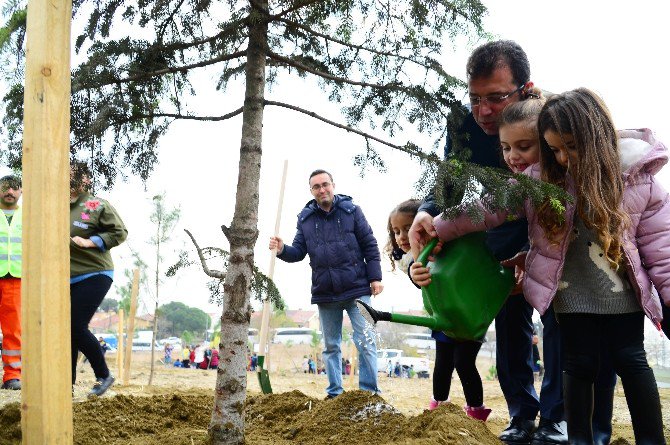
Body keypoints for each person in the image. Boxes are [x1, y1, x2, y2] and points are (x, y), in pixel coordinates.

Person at [427, 88, 668, 444]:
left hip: (623, 297)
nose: (563, 157)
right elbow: (486, 209)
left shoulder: (637, 179)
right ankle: (578, 439)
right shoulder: (539, 180)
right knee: (579, 365)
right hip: (570, 297)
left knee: (632, 362)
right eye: (554, 149)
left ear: (595, 135)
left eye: (570, 146)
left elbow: (661, 250)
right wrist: (438, 225)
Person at [408, 40, 566, 444]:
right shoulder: (463, 124)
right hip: (501, 240)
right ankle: (520, 415)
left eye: (496, 98)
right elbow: (451, 180)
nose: (483, 111)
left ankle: (556, 419)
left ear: (526, 89)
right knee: (511, 329)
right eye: (475, 98)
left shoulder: (555, 118)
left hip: (555, 239)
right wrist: (428, 211)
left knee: (558, 324)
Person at [270, 169, 384, 399]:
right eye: (316, 186)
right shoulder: (305, 219)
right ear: (311, 191)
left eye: (325, 184)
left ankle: (369, 393)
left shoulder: (352, 211)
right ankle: (334, 393)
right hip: (326, 293)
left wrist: (375, 277)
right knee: (331, 346)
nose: (322, 189)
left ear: (333, 185)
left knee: (366, 341)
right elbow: (298, 252)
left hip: (357, 289)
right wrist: (282, 250)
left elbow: (370, 244)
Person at [387, 198, 490, 421]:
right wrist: (416, 274)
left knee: (463, 361)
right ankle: (439, 405)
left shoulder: (446, 245)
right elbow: (422, 281)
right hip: (443, 315)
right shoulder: (410, 260)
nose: (402, 237)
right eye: (396, 232)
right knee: (443, 362)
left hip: (470, 314)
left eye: (407, 228)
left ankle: (476, 410)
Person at [70, 162, 127, 397]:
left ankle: (103, 375)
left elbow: (119, 232)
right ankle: (66, 385)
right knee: (66, 331)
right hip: (65, 277)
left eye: (76, 174)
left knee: (74, 326)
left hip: (94, 273)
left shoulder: (95, 204)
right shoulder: (55, 204)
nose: (70, 177)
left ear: (87, 180)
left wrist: (90, 241)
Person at [0, 175, 22, 391]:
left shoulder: (28, 216)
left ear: (21, 192)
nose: (10, 192)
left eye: (15, 188)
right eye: (6, 188)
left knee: (13, 330)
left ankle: (12, 376)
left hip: (16, 278)